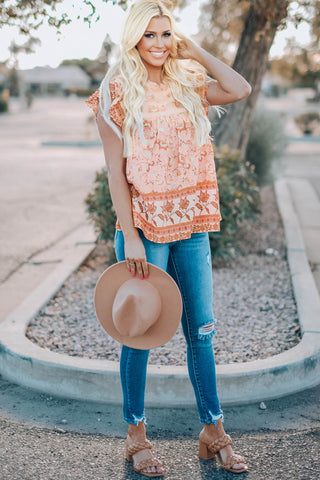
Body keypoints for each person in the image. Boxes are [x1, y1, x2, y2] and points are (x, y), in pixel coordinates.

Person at [86, 0, 251, 476]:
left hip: (193, 226)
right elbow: (116, 176)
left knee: (201, 331)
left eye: (165, 34)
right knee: (137, 335)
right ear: (134, 38)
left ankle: (213, 432)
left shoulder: (188, 81)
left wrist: (194, 49)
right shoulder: (115, 90)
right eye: (149, 35)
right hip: (145, 231)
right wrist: (131, 237)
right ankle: (135, 436)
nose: (157, 44)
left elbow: (239, 88)